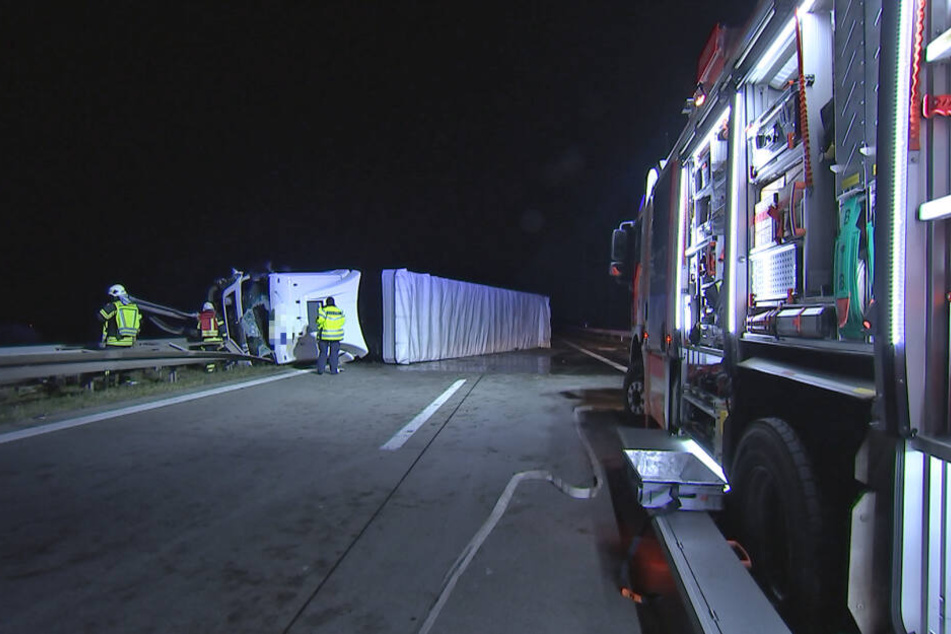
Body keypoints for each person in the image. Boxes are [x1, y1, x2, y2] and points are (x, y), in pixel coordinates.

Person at [98, 284, 141, 348]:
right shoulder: (134, 307)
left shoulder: (114, 306)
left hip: (114, 342)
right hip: (129, 343)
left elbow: (100, 317)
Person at [315, 296, 345, 375]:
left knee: (323, 352)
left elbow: (320, 321)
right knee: (334, 353)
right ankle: (333, 370)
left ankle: (320, 370)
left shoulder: (323, 310)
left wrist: (319, 325)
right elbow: (342, 322)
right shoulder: (339, 311)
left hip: (325, 334)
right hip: (336, 335)